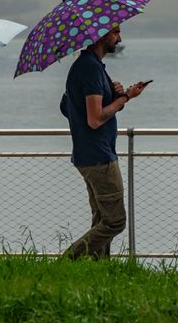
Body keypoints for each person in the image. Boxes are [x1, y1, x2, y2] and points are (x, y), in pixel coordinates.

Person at [62, 26, 148, 259]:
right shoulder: (90, 68)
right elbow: (95, 119)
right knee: (115, 221)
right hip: (99, 157)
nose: (119, 38)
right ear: (99, 35)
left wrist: (111, 92)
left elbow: (66, 107)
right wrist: (124, 98)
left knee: (101, 218)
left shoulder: (87, 67)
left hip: (88, 154)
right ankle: (68, 259)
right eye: (115, 32)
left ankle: (100, 268)